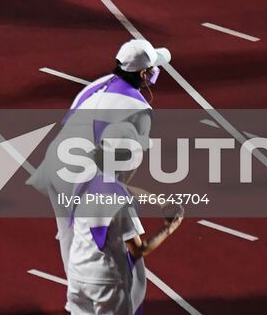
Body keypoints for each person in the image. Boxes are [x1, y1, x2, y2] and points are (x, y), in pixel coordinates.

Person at [39, 38, 170, 272]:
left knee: (70, 234)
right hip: (83, 174)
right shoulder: (140, 111)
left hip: (55, 163)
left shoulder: (97, 85)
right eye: (153, 69)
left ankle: (77, 296)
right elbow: (127, 168)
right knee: (105, 242)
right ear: (143, 75)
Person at [64, 122, 184, 315]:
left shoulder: (85, 176)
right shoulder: (121, 202)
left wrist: (158, 201)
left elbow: (119, 188)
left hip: (78, 271)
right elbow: (138, 249)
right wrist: (168, 229)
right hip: (107, 281)